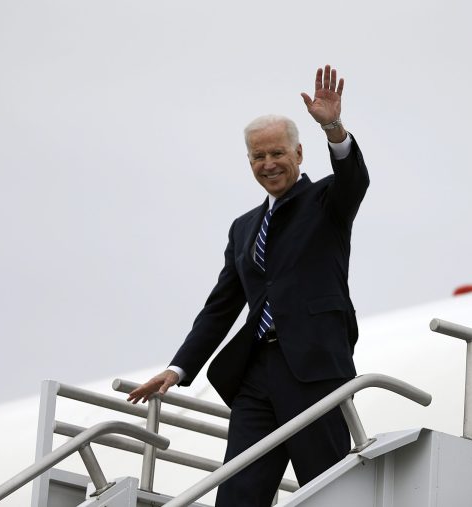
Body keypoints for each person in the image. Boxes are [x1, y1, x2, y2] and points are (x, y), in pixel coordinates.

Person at [127, 64, 369, 507]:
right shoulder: (243, 228)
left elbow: (355, 179)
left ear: (299, 154)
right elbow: (220, 308)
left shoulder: (326, 201)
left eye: (277, 153)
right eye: (258, 156)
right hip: (255, 373)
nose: (268, 164)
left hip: (314, 366)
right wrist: (177, 368)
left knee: (325, 487)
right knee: (238, 491)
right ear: (249, 162)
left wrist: (333, 128)